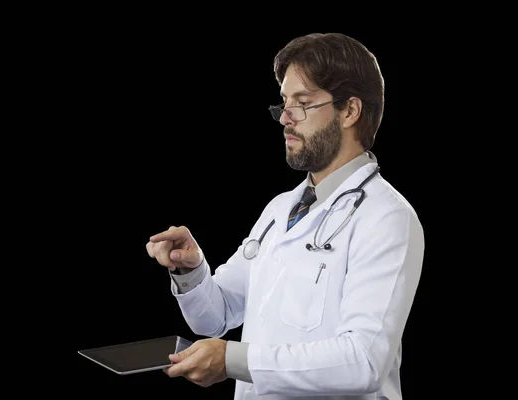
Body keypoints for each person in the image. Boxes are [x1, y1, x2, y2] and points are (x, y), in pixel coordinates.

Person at [146, 32, 424, 400]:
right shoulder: (280, 210)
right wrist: (190, 269)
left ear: (350, 111)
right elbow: (216, 317)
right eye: (284, 103)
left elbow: (364, 361)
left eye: (303, 103)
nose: (285, 119)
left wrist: (234, 360)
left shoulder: (387, 217)